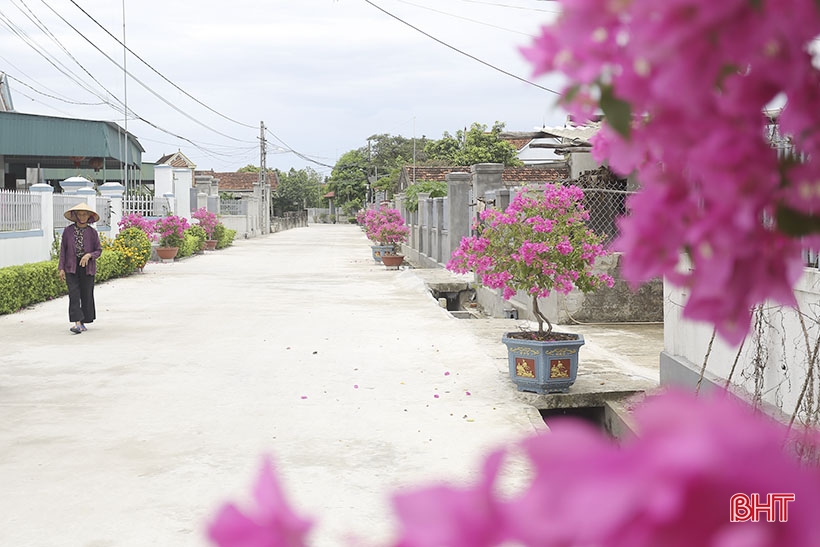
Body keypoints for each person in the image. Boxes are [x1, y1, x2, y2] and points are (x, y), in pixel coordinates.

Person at [58, 203, 102, 334]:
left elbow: (98, 250)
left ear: (89, 216)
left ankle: (83, 320)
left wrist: (89, 255)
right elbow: (63, 251)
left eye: (85, 214)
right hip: (71, 266)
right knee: (74, 294)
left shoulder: (92, 233)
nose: (82, 217)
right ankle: (77, 322)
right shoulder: (68, 231)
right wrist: (61, 268)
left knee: (86, 294)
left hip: (87, 267)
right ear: (75, 216)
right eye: (80, 214)